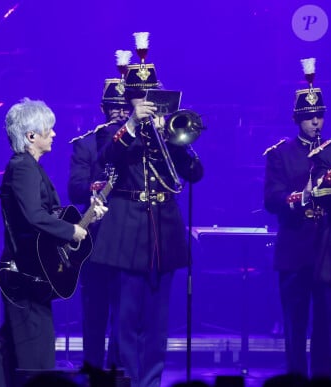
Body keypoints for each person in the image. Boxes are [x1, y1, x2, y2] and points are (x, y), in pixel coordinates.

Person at [91, 32, 204, 387]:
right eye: (140, 98)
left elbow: (195, 174)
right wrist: (133, 125)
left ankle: (152, 382)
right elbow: (107, 157)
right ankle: (127, 380)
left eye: (150, 97)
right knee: (127, 319)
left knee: (158, 321)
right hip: (127, 234)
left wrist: (175, 140)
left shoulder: (166, 134)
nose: (146, 104)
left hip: (165, 232)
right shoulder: (113, 133)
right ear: (130, 101)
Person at [0, 98, 108, 387]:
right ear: (31, 136)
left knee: (10, 347)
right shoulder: (23, 167)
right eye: (48, 129)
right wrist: (70, 231)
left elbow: (48, 216)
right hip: (24, 274)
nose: (54, 134)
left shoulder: (30, 167)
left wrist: (87, 220)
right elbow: (34, 216)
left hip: (32, 272)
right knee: (35, 353)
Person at [264, 57, 331, 378]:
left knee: (327, 326)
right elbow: (272, 199)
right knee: (295, 325)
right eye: (309, 117)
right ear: (296, 119)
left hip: (326, 252)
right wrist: (303, 195)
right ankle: (294, 380)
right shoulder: (281, 154)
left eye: (319, 116)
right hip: (294, 251)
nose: (316, 123)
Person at [68, 75, 131, 369]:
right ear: (103, 109)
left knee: (125, 309)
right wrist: (103, 186)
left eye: (124, 107)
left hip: (130, 237)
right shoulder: (86, 144)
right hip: (97, 237)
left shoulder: (139, 144)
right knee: (95, 308)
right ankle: (92, 367)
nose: (120, 113)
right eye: (114, 107)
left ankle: (119, 367)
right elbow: (76, 186)